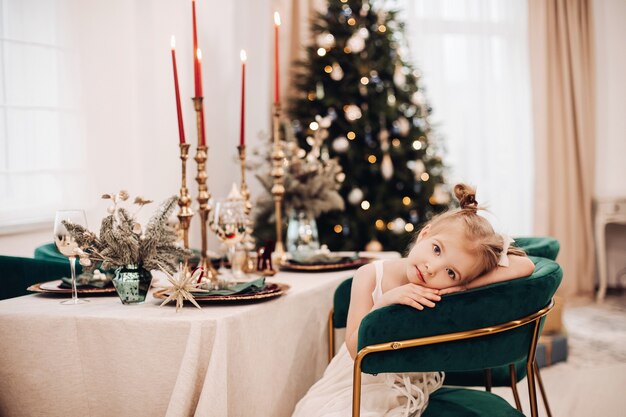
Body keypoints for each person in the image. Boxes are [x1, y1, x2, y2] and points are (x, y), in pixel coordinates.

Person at [291, 183, 535, 417]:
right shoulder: (369, 276)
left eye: (450, 272)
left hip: (409, 386)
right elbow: (355, 351)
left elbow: (525, 265)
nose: (432, 269)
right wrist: (384, 303)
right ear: (424, 235)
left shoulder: (446, 287)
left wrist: (464, 284)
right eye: (437, 249)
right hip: (354, 383)